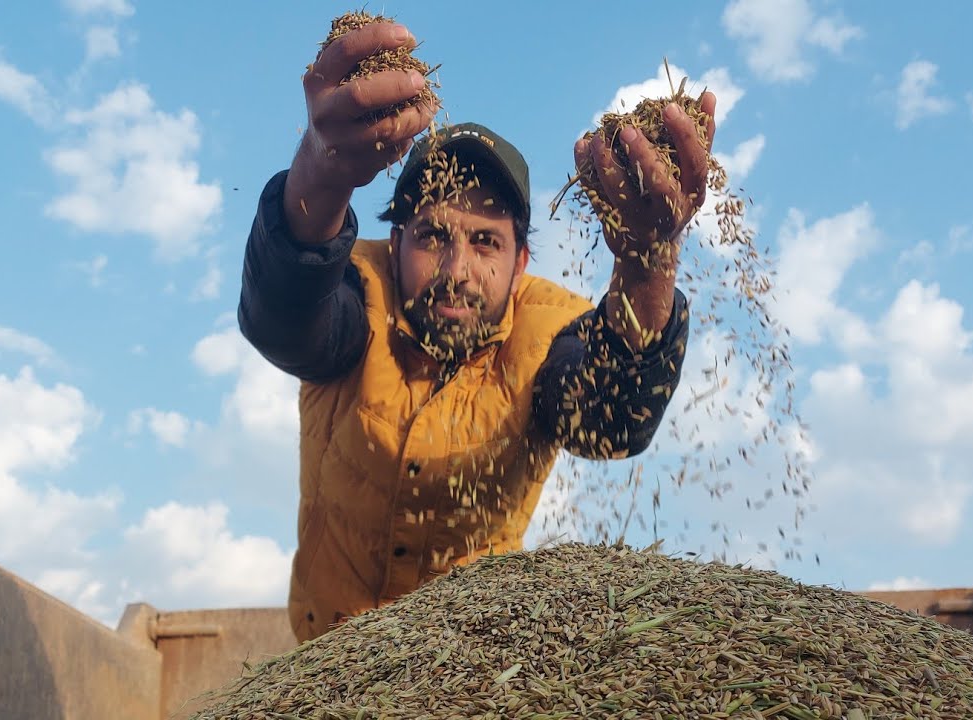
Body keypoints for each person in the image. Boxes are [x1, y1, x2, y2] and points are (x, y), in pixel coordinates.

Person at [237, 19, 717, 643]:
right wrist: (319, 176)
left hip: (471, 678)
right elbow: (286, 320)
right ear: (396, 240)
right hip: (324, 661)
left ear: (520, 262)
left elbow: (610, 421)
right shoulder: (358, 289)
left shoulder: (549, 330)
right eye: (433, 235)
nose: (457, 271)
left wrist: (647, 262)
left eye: (486, 242)